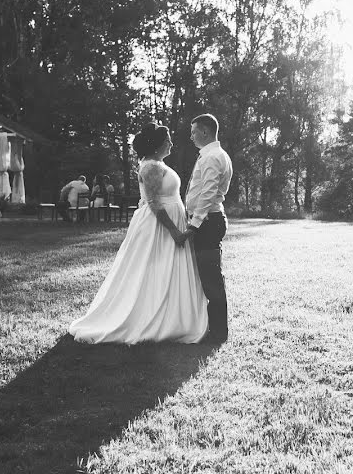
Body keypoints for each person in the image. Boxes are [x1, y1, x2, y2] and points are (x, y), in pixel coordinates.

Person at [68, 123, 208, 344]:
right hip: (159, 227)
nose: (171, 143)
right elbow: (153, 202)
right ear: (158, 144)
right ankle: (152, 317)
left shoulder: (156, 164)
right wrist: (173, 231)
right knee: (152, 271)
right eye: (168, 140)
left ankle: (174, 315)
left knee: (165, 270)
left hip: (169, 221)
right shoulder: (151, 167)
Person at [181, 113, 233, 343]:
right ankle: (211, 327)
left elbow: (208, 192)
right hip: (210, 220)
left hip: (208, 223)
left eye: (193, 132)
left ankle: (219, 333)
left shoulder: (212, 157)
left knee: (211, 279)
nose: (191, 137)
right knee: (209, 276)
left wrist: (194, 225)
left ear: (204, 132)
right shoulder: (214, 155)